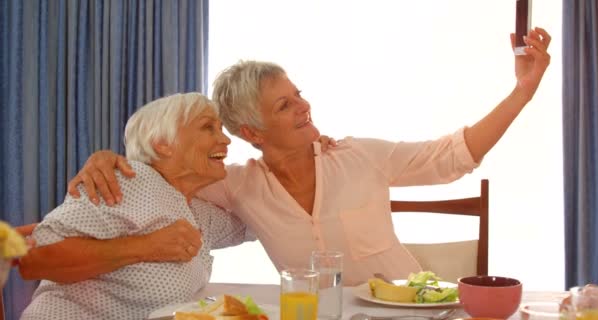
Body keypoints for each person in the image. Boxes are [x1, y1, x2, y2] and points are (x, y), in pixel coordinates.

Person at [20, 27, 551, 286]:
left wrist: (523, 91)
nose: (304, 106)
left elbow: (452, 155)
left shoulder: (359, 156)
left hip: (407, 312)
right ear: (251, 130)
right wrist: (105, 156)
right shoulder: (235, 186)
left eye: (299, 94)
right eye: (285, 104)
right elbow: (164, 174)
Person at [20, 93, 253, 319]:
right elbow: (36, 259)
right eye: (207, 127)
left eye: (221, 128)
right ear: (162, 144)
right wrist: (146, 246)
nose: (225, 139)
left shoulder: (199, 211)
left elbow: (258, 223)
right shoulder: (125, 180)